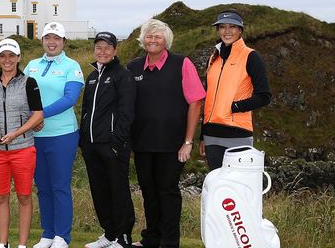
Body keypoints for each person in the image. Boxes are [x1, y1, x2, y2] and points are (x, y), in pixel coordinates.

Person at [126, 19, 205, 248]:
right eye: (149, 36)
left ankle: (169, 242)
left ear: (166, 41)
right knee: (149, 193)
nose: (153, 40)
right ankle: (151, 239)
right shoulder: (133, 67)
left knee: (167, 191)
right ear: (143, 40)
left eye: (157, 37)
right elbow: (126, 106)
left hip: (173, 144)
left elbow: (196, 103)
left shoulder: (182, 64)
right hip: (142, 143)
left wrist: (188, 141)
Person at [24, 22, 85, 248]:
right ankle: (47, 234)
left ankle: (62, 236)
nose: (51, 42)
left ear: (63, 42)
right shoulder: (31, 65)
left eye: (56, 38)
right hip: (34, 136)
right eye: (47, 37)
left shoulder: (71, 66)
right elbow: (23, 95)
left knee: (59, 186)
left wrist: (38, 116)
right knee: (42, 186)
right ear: (42, 41)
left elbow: (69, 99)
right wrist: (31, 116)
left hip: (62, 135)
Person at [0, 38, 44, 248]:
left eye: (11, 55)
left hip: (23, 149)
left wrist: (16, 133)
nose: (7, 60)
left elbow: (38, 116)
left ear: (18, 57)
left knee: (25, 196)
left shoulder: (29, 82)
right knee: (1, 197)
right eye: (3, 56)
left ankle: (22, 244)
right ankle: (2, 243)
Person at [80, 32, 136, 248]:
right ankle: (110, 234)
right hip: (91, 145)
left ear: (115, 50)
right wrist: (83, 139)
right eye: (98, 47)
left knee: (118, 191)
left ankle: (123, 237)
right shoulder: (93, 76)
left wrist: (117, 142)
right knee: (100, 191)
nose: (102, 52)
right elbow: (86, 110)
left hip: (113, 146)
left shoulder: (123, 75)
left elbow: (126, 113)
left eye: (107, 47)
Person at [200, 9, 272, 170]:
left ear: (240, 30)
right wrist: (202, 136)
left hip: (238, 134)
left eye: (232, 26)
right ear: (218, 30)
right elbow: (208, 99)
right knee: (219, 187)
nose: (227, 31)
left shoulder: (251, 56)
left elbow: (264, 96)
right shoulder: (213, 58)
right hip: (211, 135)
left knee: (238, 187)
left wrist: (234, 107)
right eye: (222, 27)